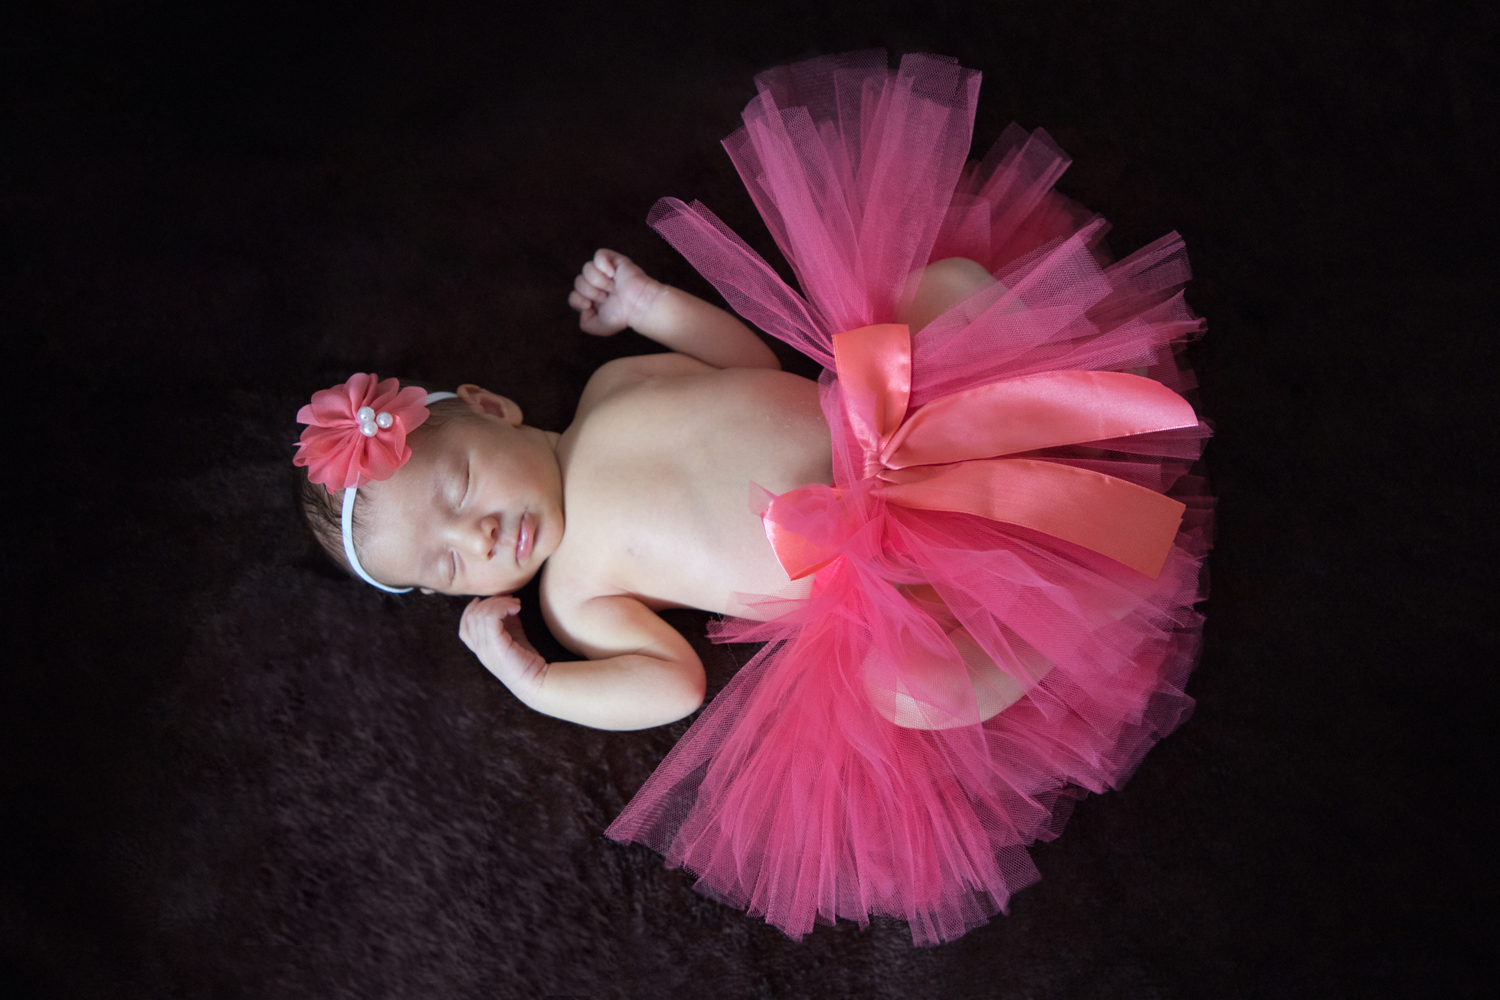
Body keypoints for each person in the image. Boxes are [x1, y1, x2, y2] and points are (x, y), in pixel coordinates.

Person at [294, 49, 1213, 945]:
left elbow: (748, 364)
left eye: (459, 488)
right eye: (449, 563)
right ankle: (1083, 610)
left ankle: (1090, 385)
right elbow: (674, 684)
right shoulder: (575, 596)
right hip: (873, 571)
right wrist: (536, 681)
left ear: (493, 408)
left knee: (939, 290)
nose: (481, 535)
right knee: (910, 692)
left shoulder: (612, 388)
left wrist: (648, 306)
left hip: (874, 417)